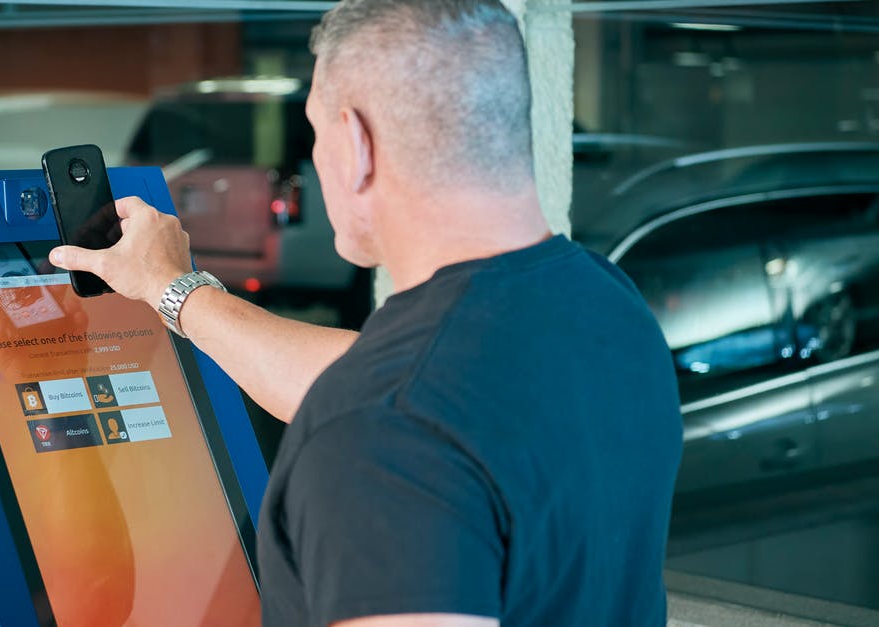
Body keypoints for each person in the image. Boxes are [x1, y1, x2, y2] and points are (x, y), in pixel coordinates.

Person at [50, 1, 683, 625]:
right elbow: (389, 386)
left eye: (316, 131)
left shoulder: (384, 436)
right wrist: (175, 290)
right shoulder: (606, 305)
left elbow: (389, 407)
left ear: (355, 143)